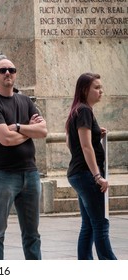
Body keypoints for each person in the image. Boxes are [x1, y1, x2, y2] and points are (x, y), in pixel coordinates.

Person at [0, 58, 48, 260]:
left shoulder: (26, 101)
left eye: (11, 69)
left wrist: (19, 127)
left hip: (30, 173)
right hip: (3, 175)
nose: (7, 73)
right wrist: (30, 130)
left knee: (32, 234)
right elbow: (6, 139)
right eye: (2, 70)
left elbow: (43, 130)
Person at [65, 73, 117, 260]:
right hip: (86, 175)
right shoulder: (84, 111)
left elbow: (71, 142)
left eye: (101, 87)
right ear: (85, 90)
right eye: (96, 87)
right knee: (100, 224)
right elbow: (86, 147)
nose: (101, 91)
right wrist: (97, 176)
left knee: (88, 224)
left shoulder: (78, 110)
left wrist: (97, 133)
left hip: (78, 174)